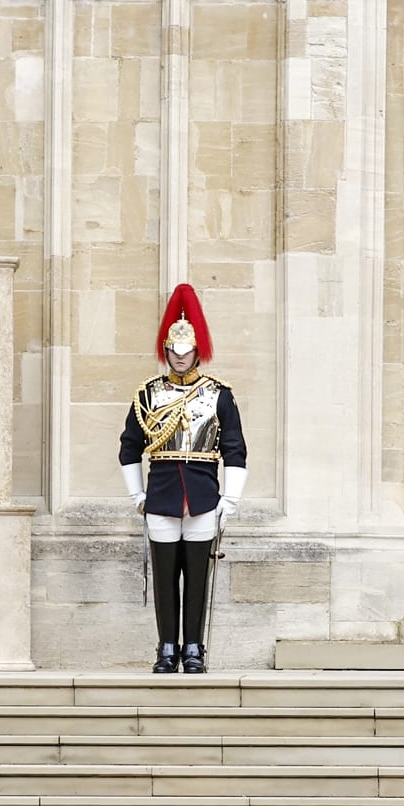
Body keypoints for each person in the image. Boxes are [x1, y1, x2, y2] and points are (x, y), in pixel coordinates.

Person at [120, 283, 247, 674]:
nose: (179, 357)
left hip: (202, 495)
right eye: (173, 351)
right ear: (166, 351)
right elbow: (129, 446)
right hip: (161, 495)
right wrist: (136, 494)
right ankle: (166, 646)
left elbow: (235, 449)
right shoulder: (148, 395)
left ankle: (193, 646)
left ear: (197, 351)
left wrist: (231, 499)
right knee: (163, 577)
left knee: (197, 576)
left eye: (186, 350)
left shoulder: (218, 395)